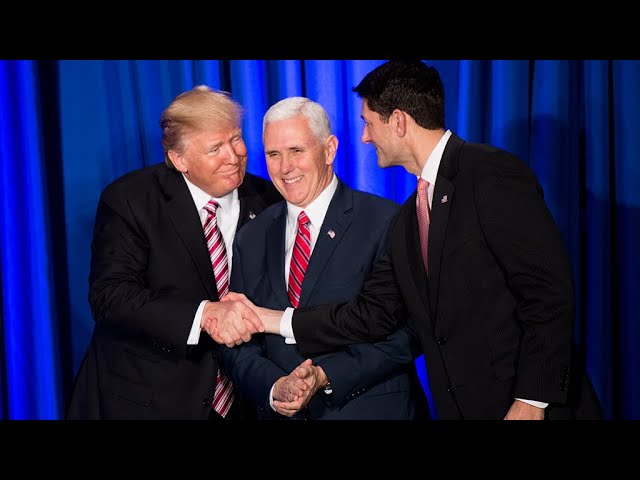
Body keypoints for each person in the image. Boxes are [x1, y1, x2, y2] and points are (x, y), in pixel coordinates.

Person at [227, 61, 602, 420]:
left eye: (369, 123)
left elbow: (547, 295)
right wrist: (270, 319)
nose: (365, 136)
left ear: (399, 122)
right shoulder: (411, 216)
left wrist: (531, 400)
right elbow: (372, 315)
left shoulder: (490, 173)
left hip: (526, 408)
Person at [65, 85, 282, 420]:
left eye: (236, 138)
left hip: (243, 401)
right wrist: (204, 315)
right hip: (148, 399)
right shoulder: (130, 200)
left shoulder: (269, 200)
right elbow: (111, 297)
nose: (234, 155)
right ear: (179, 159)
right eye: (215, 149)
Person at [217, 96, 427, 420]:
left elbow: (410, 332)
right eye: (274, 154)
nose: (285, 167)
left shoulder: (386, 220)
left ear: (329, 150)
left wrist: (327, 375)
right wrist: (275, 387)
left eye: (296, 151)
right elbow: (238, 341)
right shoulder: (251, 236)